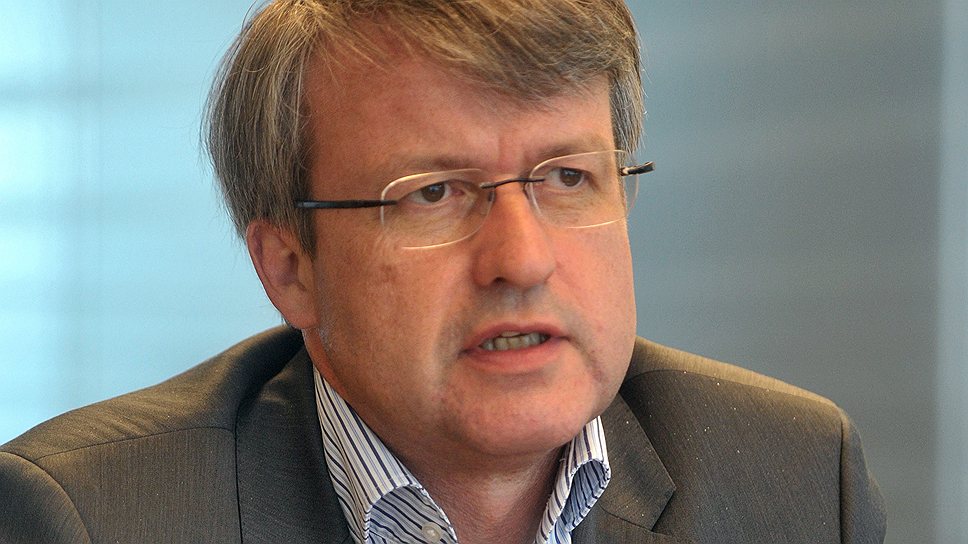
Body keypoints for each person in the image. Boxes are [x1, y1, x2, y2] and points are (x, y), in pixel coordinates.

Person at [0, 1, 885, 542]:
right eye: (433, 194)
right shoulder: (94, 517)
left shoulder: (794, 476)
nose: (522, 259)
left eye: (567, 178)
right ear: (290, 268)